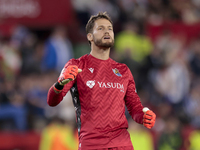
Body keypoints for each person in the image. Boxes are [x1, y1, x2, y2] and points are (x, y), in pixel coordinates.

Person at [47, 12, 156, 150]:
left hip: (122, 145)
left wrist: (144, 116)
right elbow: (52, 101)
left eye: (110, 28)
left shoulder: (123, 70)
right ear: (90, 37)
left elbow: (135, 108)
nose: (107, 31)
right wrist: (60, 83)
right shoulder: (76, 65)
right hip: (92, 145)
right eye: (101, 28)